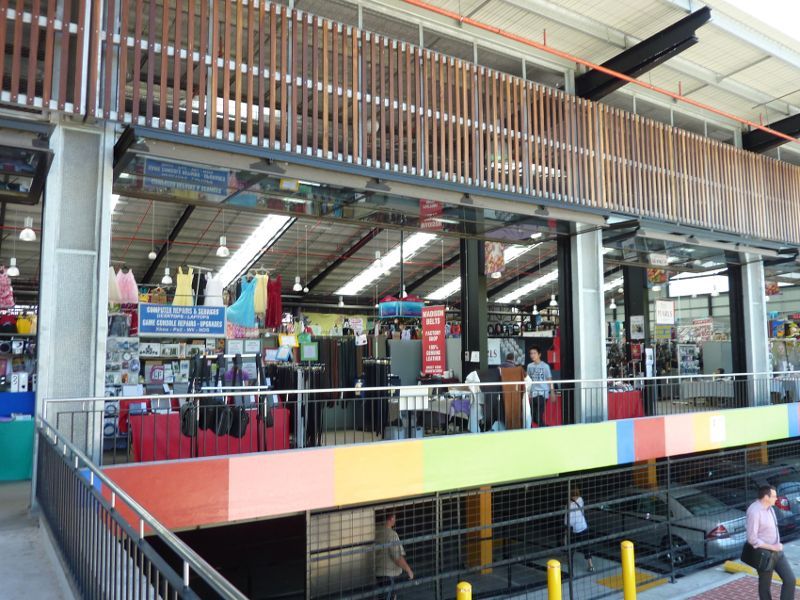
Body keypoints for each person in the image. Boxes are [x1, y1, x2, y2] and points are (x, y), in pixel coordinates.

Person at [746, 485, 795, 600]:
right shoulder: (754, 512)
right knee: (765, 586)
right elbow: (752, 539)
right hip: (764, 554)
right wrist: (773, 547)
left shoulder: (770, 508)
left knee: (790, 580)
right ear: (765, 497)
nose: (776, 498)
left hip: (777, 551)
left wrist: (776, 547)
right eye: (774, 496)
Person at [375, 512, 414, 599]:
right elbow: (397, 557)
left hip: (378, 573)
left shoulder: (375, 531)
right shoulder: (392, 535)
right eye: (394, 518)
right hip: (389, 574)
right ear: (391, 519)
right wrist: (408, 570)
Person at [566, 487, 594, 572]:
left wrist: (566, 528)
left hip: (574, 529)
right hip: (583, 526)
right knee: (586, 547)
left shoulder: (569, 505)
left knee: (571, 548)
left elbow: (568, 520)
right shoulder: (581, 500)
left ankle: (570, 568)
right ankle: (590, 565)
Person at [526, 347, 555, 427]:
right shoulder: (529, 366)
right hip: (533, 394)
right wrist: (528, 392)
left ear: (539, 354)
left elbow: (549, 379)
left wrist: (552, 392)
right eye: (531, 353)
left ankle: (544, 429)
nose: (532, 355)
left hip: (542, 394)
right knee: (532, 417)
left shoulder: (545, 366)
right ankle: (545, 428)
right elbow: (528, 379)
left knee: (537, 417)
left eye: (534, 353)